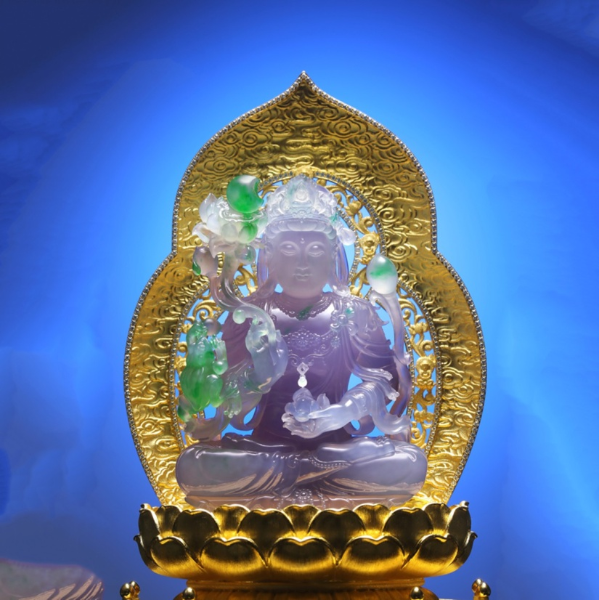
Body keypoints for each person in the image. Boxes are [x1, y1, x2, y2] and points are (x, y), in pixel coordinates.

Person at [176, 175, 427, 507]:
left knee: (410, 463)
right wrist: (258, 377)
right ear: (270, 258)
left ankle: (296, 479)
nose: (303, 264)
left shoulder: (355, 312)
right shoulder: (249, 315)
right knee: (193, 465)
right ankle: (312, 477)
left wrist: (343, 411)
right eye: (289, 250)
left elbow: (382, 382)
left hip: (339, 449)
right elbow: (225, 400)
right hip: (265, 450)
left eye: (315, 251)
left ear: (333, 257)